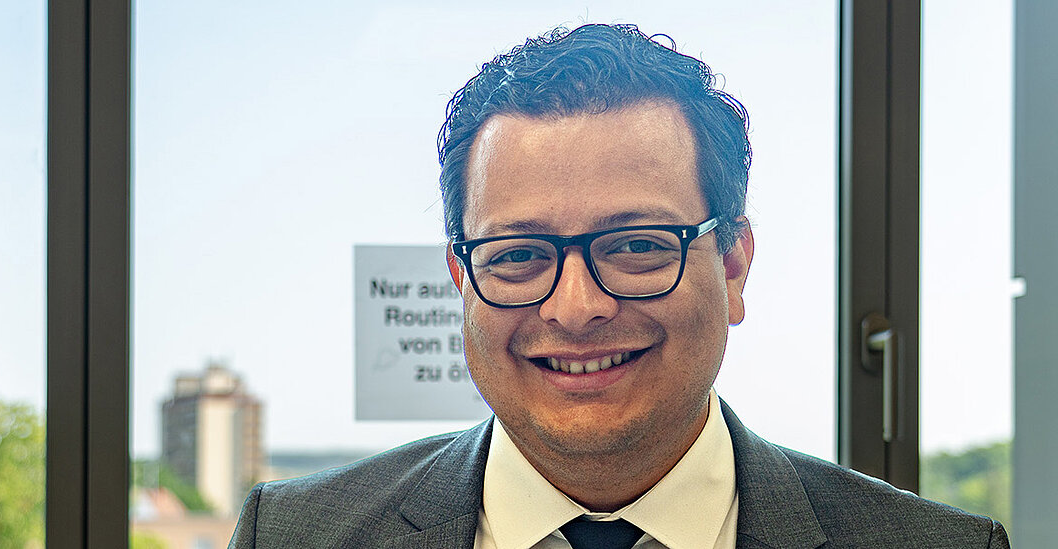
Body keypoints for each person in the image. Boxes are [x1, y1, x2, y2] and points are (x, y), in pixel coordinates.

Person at [229, 23, 1009, 548]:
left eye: (637, 245)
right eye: (518, 254)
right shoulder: (293, 535)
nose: (576, 307)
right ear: (462, 279)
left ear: (734, 265)